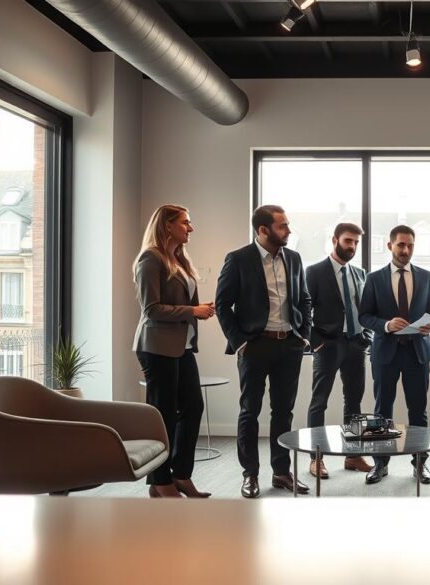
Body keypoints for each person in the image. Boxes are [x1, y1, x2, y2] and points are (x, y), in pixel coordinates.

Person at [216, 204, 312, 498]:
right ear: (263, 230)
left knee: (283, 412)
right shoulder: (238, 259)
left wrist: (304, 334)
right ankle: (250, 475)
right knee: (250, 412)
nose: (288, 230)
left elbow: (304, 300)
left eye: (287, 224)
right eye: (282, 226)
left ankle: (281, 472)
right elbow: (223, 305)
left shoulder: (294, 258)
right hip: (254, 346)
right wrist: (240, 342)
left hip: (289, 345)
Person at [132, 204, 215, 499]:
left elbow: (175, 302)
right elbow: (151, 309)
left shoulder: (179, 258)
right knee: (163, 413)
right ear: (167, 225)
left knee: (193, 407)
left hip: (180, 346)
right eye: (185, 222)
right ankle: (159, 480)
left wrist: (199, 308)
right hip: (156, 347)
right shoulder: (150, 258)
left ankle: (181, 475)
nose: (190, 228)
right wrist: (193, 309)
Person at [358, 225, 430, 485]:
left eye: (410, 246)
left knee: (418, 410)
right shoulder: (374, 278)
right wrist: (385, 324)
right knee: (382, 410)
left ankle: (420, 464)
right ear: (390, 246)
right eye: (401, 245)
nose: (406, 250)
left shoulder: (426, 277)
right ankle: (380, 464)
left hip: (418, 352)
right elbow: (364, 315)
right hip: (385, 353)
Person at [304, 222, 374, 478]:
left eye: (356, 242)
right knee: (318, 402)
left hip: (356, 344)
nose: (353, 246)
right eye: (348, 241)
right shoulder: (314, 271)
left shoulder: (359, 273)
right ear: (334, 239)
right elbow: (302, 311)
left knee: (354, 403)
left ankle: (353, 455)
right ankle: (316, 458)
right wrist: (316, 341)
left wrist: (366, 337)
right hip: (327, 345)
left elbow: (366, 310)